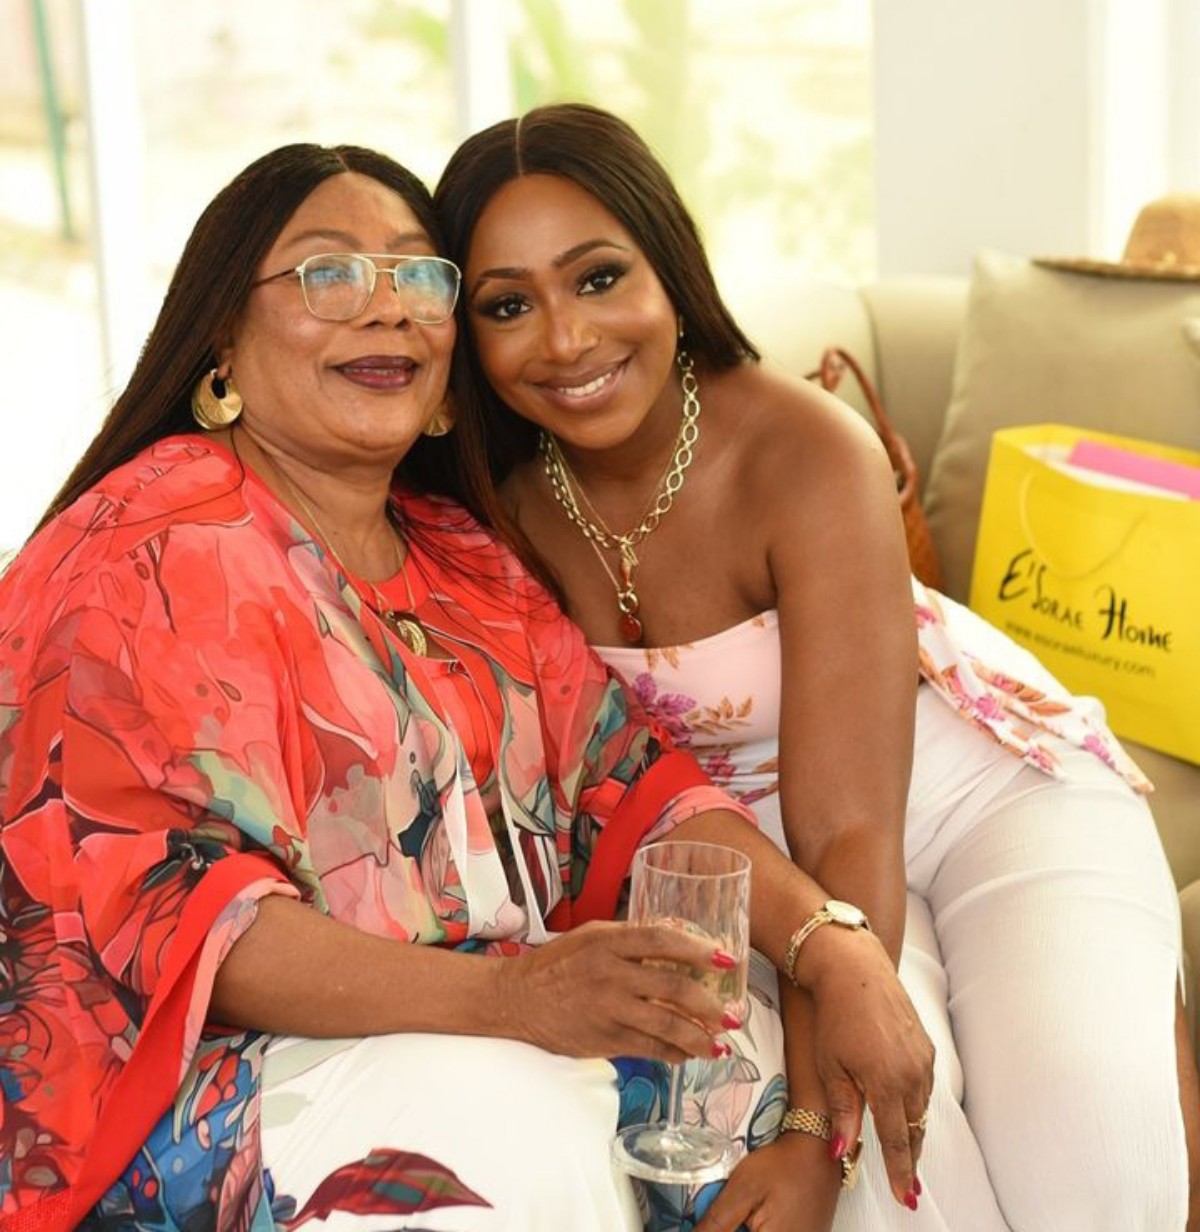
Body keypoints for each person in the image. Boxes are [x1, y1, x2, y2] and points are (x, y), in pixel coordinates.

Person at [0, 142, 936, 1232]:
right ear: (223, 343)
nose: (388, 307)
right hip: (171, 1084)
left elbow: (639, 791)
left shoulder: (465, 556)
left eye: (418, 275)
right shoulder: (147, 548)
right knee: (511, 1125)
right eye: (329, 272)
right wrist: (515, 1000)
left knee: (767, 1075)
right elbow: (187, 918)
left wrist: (832, 945)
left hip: (473, 1028)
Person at [433, 102, 1198, 1232]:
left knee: (1097, 1181)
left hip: (975, 800)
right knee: (903, 1188)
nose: (566, 338)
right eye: (509, 304)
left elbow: (847, 826)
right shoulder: (487, 509)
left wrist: (807, 1129)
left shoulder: (807, 451)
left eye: (598, 278)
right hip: (752, 866)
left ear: (669, 266)